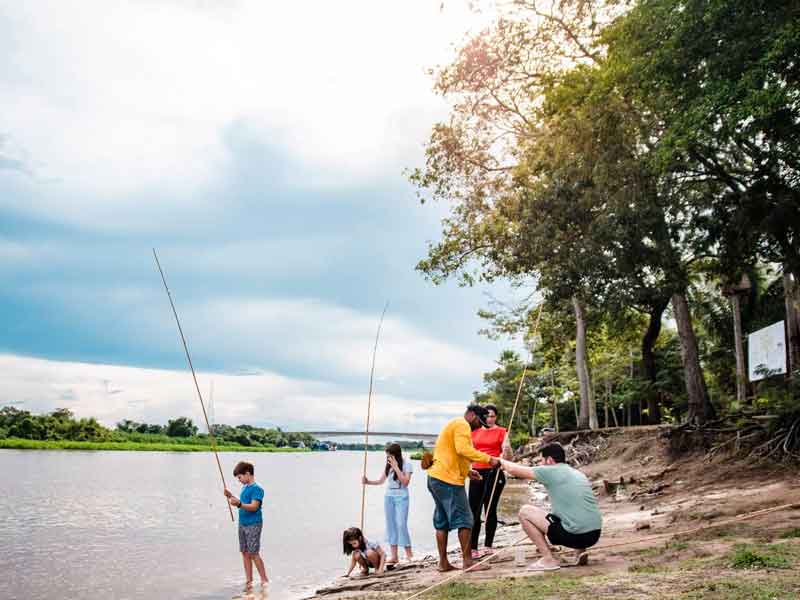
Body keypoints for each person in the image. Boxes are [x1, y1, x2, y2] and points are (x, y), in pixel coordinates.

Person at [501, 443, 602, 571]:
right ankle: (580, 552)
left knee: (525, 512)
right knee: (570, 512)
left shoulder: (550, 470)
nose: (541, 464)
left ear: (549, 460)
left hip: (576, 536)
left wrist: (499, 460)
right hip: (594, 534)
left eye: (542, 460)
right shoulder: (576, 473)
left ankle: (548, 560)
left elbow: (513, 470)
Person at [424, 404, 500, 572]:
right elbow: (463, 449)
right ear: (472, 415)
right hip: (449, 481)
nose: (479, 427)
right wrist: (489, 459)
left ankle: (443, 563)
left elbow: (454, 454)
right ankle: (468, 562)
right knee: (466, 520)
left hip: (435, 478)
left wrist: (467, 472)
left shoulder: (455, 425)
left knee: (442, 522)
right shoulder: (462, 424)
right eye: (480, 423)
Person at [468, 404, 513, 558]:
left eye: (492, 416)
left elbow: (508, 457)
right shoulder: (474, 432)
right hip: (476, 472)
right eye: (486, 416)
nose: (489, 419)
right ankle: (473, 547)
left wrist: (506, 450)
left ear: (496, 417)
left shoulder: (502, 431)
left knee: (490, 508)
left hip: (495, 472)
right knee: (474, 510)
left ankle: (488, 545)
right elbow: (468, 453)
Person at [362, 443, 414, 563]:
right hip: (389, 496)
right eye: (387, 456)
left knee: (401, 524)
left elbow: (405, 482)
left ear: (396, 455)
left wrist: (396, 467)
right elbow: (381, 481)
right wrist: (368, 481)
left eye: (390, 456)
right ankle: (394, 556)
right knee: (391, 525)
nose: (388, 458)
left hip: (402, 496)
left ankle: (409, 554)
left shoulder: (407, 465)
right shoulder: (388, 466)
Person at [223, 461, 269, 590]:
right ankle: (249, 580)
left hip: (253, 524)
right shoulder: (244, 488)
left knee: (254, 553)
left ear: (247, 474)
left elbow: (254, 507)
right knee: (244, 552)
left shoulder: (257, 489)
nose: (239, 480)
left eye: (240, 477)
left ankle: (264, 580)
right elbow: (242, 502)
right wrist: (230, 496)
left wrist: (238, 504)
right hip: (242, 524)